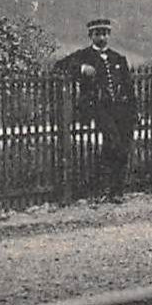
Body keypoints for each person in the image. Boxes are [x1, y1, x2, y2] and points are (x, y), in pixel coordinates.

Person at [53, 19, 136, 202]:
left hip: (120, 110)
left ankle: (115, 191)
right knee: (113, 143)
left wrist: (133, 112)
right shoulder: (84, 55)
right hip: (98, 108)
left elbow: (129, 87)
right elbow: (59, 66)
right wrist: (81, 69)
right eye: (98, 34)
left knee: (121, 148)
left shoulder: (118, 58)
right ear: (91, 36)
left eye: (105, 33)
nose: (102, 37)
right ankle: (103, 188)